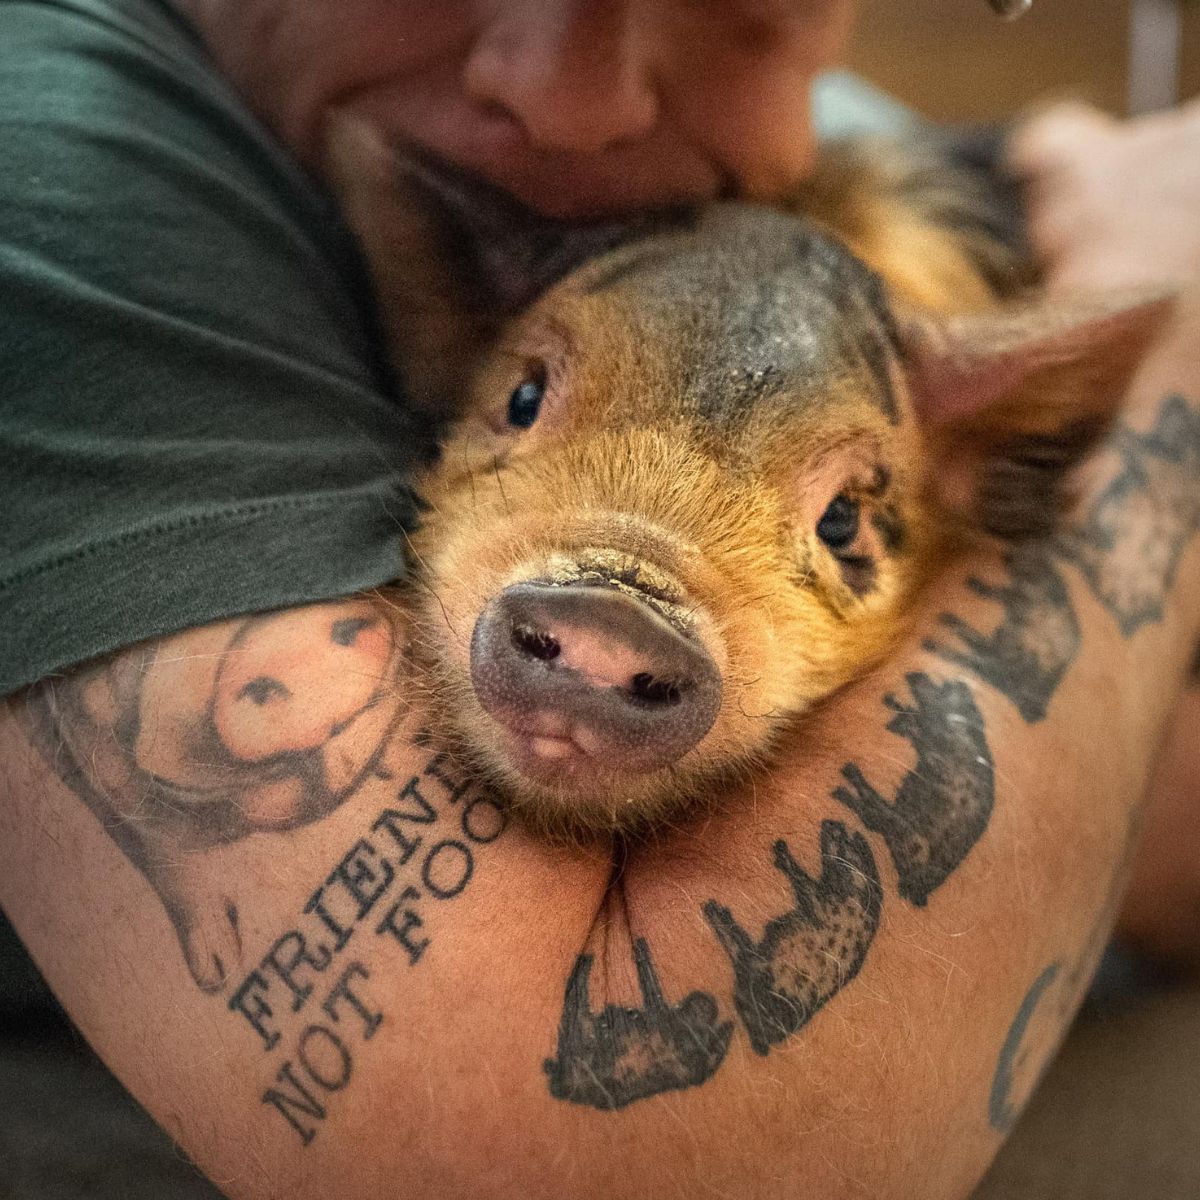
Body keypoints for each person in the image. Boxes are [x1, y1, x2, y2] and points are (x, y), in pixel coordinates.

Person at [1, 1, 1198, 1196]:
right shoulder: (56, 158)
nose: (572, 100)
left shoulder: (770, 171)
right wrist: (1174, 337)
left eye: (746, 3)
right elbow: (579, 1157)